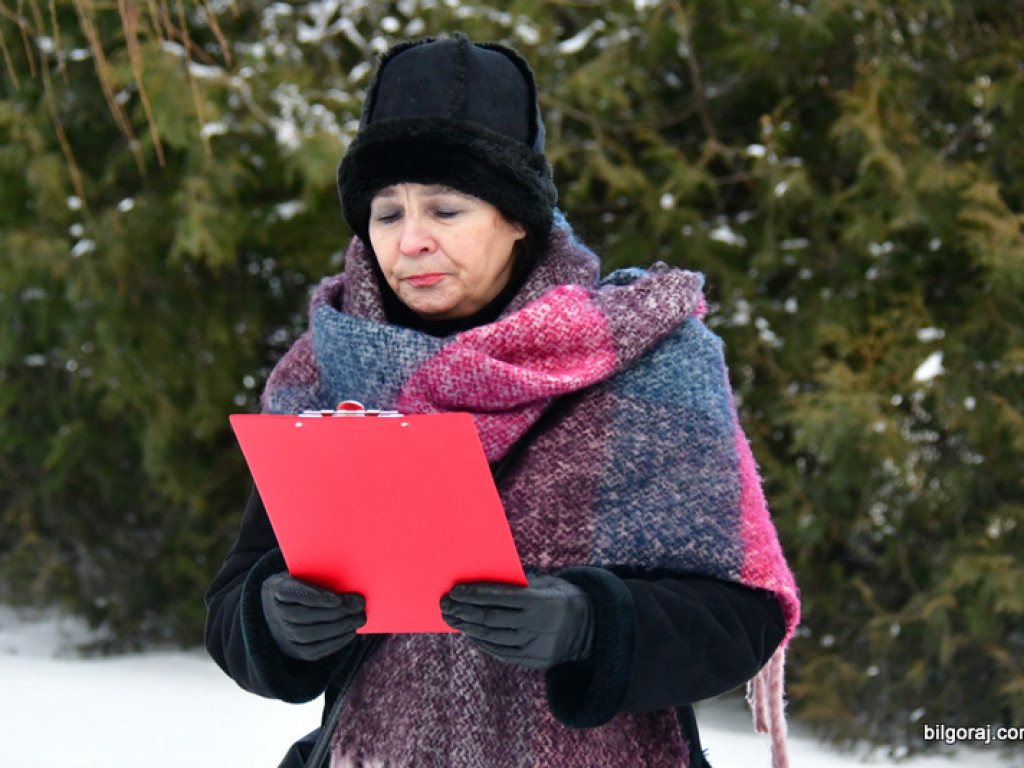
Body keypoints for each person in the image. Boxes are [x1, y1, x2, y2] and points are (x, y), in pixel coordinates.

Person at [205, 33, 800, 768]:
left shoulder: (650, 364)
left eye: (446, 210)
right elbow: (233, 604)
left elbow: (742, 617)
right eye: (388, 214)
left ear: (519, 216)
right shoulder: (327, 375)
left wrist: (593, 623)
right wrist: (272, 618)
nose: (411, 241)